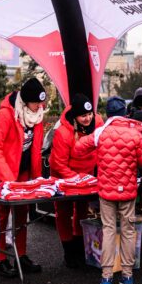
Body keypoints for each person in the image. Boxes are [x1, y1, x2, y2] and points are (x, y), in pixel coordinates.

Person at [75, 113, 142, 284]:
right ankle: (127, 276)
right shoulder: (135, 135)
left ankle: (106, 278)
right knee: (128, 231)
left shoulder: (101, 132)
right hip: (127, 192)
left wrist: (96, 150)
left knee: (108, 230)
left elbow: (78, 148)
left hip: (106, 192)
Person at [0, 77, 47, 277]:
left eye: (41, 103)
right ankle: (1, 260)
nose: (39, 107)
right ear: (25, 101)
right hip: (2, 173)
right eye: (36, 103)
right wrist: (7, 178)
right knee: (1, 215)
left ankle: (21, 254)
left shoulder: (37, 116)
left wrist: (37, 180)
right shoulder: (5, 115)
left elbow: (35, 148)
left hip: (24, 172)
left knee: (21, 213)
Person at [50, 93, 102, 270]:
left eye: (89, 115)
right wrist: (74, 178)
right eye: (83, 116)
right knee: (63, 211)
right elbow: (58, 163)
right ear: (75, 117)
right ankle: (69, 251)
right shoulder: (63, 133)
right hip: (62, 174)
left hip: (85, 174)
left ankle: (81, 247)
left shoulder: (98, 124)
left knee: (82, 210)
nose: (87, 119)